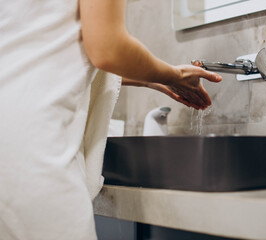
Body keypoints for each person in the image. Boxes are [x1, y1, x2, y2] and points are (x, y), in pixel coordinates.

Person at [0, 0, 221, 239]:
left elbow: (45, 48)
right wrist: (175, 75)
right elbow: (108, 48)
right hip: (32, 142)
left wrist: (151, 78)